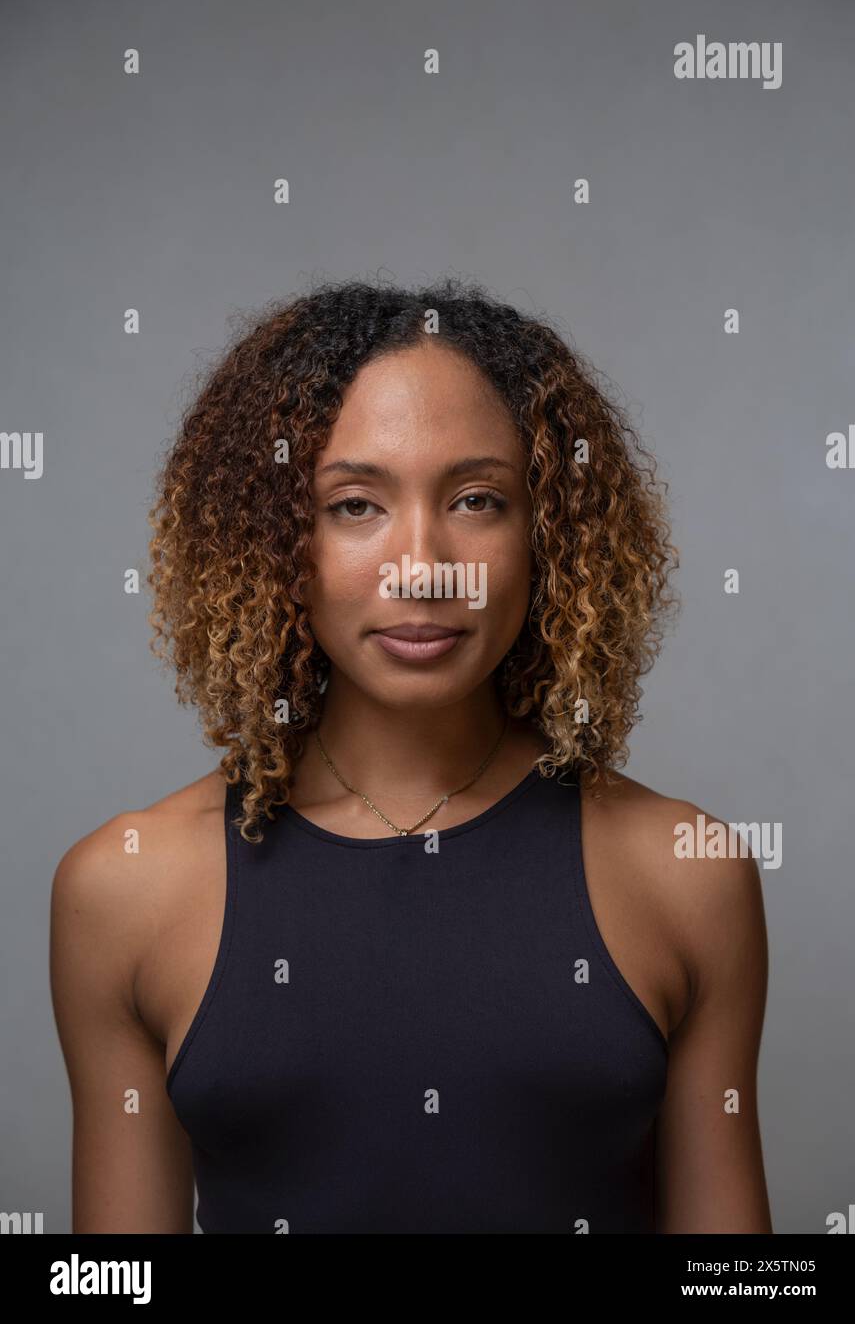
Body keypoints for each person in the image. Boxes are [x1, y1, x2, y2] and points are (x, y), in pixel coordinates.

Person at [50, 277, 772, 1233]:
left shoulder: (688, 872)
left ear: (547, 534)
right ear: (272, 541)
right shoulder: (124, 889)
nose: (425, 564)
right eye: (355, 505)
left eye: (478, 499)